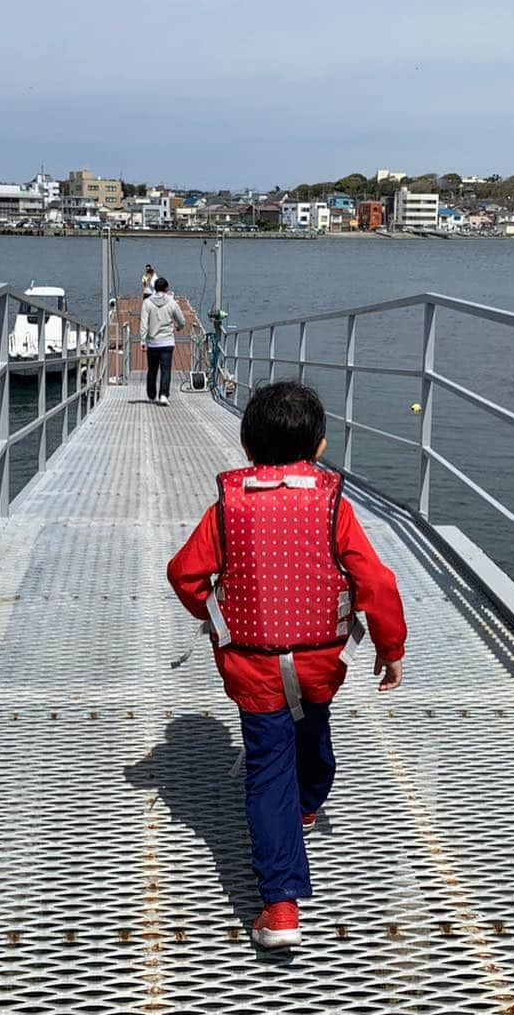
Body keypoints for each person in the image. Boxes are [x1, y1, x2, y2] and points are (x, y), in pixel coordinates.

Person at [167, 381, 407, 949]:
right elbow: (377, 581)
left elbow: (185, 573)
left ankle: (279, 908)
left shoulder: (229, 506)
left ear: (247, 449)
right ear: (320, 448)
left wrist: (216, 614)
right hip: (321, 660)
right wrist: (389, 648)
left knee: (268, 769)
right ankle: (308, 803)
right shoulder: (333, 505)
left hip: (252, 666)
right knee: (314, 730)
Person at [140, 277, 185, 405]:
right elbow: (181, 320)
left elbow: (144, 324)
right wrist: (179, 327)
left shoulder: (147, 303)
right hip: (167, 342)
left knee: (152, 369)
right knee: (166, 370)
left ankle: (151, 394)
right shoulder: (172, 302)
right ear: (166, 289)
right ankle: (164, 395)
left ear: (155, 288)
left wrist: (143, 341)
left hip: (153, 342)